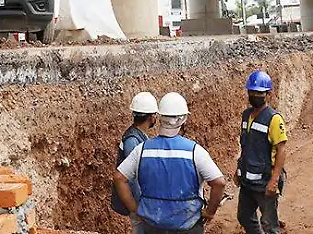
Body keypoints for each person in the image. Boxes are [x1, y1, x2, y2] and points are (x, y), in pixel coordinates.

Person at [114, 93, 226, 234]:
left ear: (159, 117)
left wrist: (135, 209)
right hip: (188, 224)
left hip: (153, 225)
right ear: (183, 119)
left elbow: (119, 178)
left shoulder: (142, 150)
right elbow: (219, 182)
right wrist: (210, 212)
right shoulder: (195, 151)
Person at [235, 71, 288, 234]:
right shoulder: (246, 116)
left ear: (268, 94)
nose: (255, 95)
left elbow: (281, 150)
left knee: (269, 224)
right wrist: (238, 171)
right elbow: (246, 146)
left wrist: (274, 180)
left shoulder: (274, 119)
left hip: (265, 181)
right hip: (247, 180)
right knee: (244, 216)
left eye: (259, 92)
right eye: (252, 92)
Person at [113, 92, 159, 233]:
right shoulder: (132, 141)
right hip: (139, 202)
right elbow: (132, 177)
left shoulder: (138, 137)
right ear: (151, 117)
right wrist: (138, 207)